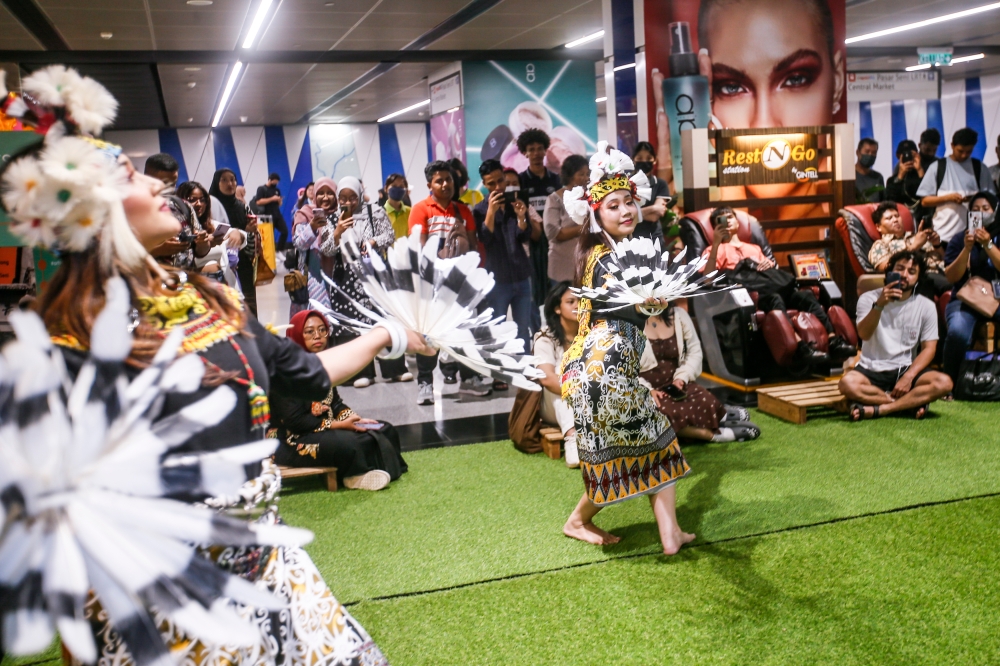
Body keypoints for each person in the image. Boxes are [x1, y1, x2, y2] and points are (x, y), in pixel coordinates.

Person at [0, 68, 433, 664]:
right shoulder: (69, 341)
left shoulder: (209, 300)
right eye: (129, 176)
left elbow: (308, 372)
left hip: (270, 572)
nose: (162, 187)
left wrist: (392, 334)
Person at [560, 143, 694, 555]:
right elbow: (615, 290)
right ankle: (582, 521)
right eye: (613, 205)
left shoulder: (618, 252)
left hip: (598, 371)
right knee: (651, 443)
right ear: (596, 215)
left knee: (636, 448)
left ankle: (665, 532)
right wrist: (645, 299)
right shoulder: (603, 258)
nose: (625, 211)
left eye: (628, 202)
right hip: (601, 370)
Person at [651, 0, 845, 247]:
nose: (763, 123)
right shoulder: (718, 213)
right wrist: (681, 223)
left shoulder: (836, 208)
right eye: (731, 87)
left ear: (837, 83)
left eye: (796, 79)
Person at [702, 206, 856, 366]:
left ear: (738, 222)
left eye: (730, 216)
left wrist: (766, 264)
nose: (727, 220)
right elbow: (707, 279)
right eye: (721, 219)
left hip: (776, 288)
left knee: (805, 296)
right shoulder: (714, 250)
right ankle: (800, 348)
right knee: (774, 299)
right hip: (752, 297)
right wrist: (715, 244)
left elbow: (774, 274)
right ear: (715, 227)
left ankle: (833, 340)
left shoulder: (754, 248)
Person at [272, 310, 407, 490]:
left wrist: (355, 420)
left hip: (322, 429)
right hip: (289, 439)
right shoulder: (284, 372)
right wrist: (339, 425)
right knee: (347, 444)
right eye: (309, 332)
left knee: (383, 429)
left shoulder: (324, 365)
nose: (317, 336)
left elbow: (335, 403)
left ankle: (377, 469)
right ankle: (354, 477)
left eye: (322, 330)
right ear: (296, 335)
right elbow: (295, 421)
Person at [409, 161, 493, 403]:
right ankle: (425, 383)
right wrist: (442, 258)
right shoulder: (421, 210)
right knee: (429, 334)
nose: (445, 184)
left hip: (460, 284)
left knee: (466, 331)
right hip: (432, 285)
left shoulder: (462, 210)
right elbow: (420, 249)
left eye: (448, 179)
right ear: (429, 185)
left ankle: (467, 379)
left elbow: (472, 246)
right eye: (439, 180)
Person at [840, 251, 953, 420]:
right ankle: (906, 405)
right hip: (871, 368)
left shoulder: (926, 306)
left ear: (918, 278)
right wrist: (879, 305)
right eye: (899, 268)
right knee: (847, 384)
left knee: (944, 383)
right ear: (890, 271)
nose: (904, 275)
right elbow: (864, 334)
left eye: (911, 272)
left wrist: (909, 377)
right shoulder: (868, 298)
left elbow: (929, 349)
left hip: (904, 368)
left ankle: (880, 409)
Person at [333, 176, 411, 387]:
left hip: (375, 274)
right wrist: (337, 232)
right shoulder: (334, 217)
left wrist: (374, 241)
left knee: (384, 320)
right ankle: (361, 373)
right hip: (347, 278)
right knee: (355, 326)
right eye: (343, 198)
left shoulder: (374, 211)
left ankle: (394, 369)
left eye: (352, 197)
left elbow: (390, 235)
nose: (348, 202)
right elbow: (326, 249)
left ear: (359, 194)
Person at [640, 306, 760, 442]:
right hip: (645, 390)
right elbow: (621, 368)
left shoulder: (678, 315)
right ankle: (711, 435)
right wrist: (646, 390)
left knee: (705, 400)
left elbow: (695, 351)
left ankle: (720, 415)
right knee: (664, 414)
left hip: (675, 384)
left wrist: (681, 378)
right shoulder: (626, 325)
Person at [474, 159, 533, 369]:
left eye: (501, 181)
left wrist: (521, 217)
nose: (498, 187)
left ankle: (525, 368)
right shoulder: (480, 210)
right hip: (496, 280)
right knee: (497, 327)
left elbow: (525, 235)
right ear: (484, 184)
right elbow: (484, 239)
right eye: (491, 184)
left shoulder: (514, 203)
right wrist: (491, 211)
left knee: (522, 328)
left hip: (521, 275)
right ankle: (500, 369)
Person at [942, 191, 1000, 382]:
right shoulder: (959, 239)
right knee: (958, 332)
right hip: (965, 299)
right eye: (976, 210)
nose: (981, 213)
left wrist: (988, 245)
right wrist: (967, 249)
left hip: (997, 298)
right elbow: (951, 276)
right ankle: (950, 381)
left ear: (995, 210)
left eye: (986, 209)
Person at [916, 127, 995, 244]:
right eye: (960, 151)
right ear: (952, 146)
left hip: (973, 234)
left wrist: (973, 199)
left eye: (968, 152)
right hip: (943, 234)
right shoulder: (938, 167)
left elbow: (990, 200)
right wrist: (948, 198)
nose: (964, 155)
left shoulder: (979, 168)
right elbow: (925, 201)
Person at [517, 128, 560, 329]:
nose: (535, 153)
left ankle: (557, 330)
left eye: (539, 149)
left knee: (555, 289)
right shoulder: (520, 182)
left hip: (555, 243)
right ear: (524, 153)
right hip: (532, 244)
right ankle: (536, 334)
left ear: (545, 151)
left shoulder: (556, 180)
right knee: (533, 293)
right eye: (530, 149)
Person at [534, 283, 580, 467]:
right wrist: (578, 395)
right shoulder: (545, 337)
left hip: (590, 398)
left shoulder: (593, 334)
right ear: (557, 308)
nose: (578, 306)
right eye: (571, 302)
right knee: (564, 381)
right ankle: (572, 440)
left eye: (582, 301)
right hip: (554, 402)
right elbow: (547, 378)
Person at [867, 200, 948, 298]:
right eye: (889, 218)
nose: (895, 220)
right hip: (923, 278)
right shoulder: (880, 245)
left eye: (897, 216)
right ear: (878, 227)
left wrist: (937, 245)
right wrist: (914, 246)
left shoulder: (918, 236)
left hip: (946, 271)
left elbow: (946, 260)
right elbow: (887, 267)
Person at [210, 168, 259, 316]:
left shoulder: (242, 206)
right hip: (219, 264)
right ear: (216, 183)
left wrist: (250, 231)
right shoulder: (210, 207)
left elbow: (253, 238)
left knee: (247, 304)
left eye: (232, 179)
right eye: (224, 180)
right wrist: (240, 230)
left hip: (243, 263)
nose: (230, 183)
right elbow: (212, 233)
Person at [177, 180, 243, 287]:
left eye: (202, 200)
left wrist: (236, 233)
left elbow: (238, 235)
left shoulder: (211, 225)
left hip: (220, 282)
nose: (199, 204)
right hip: (195, 284)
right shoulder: (178, 229)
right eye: (192, 200)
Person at [291, 176, 338, 320]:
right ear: (314, 195)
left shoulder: (340, 215)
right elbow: (299, 243)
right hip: (314, 277)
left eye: (329, 193)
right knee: (318, 321)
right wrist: (312, 227)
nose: (325, 197)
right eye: (321, 193)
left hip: (339, 278)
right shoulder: (305, 213)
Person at [544, 154, 588, 284]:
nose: (586, 178)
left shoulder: (591, 198)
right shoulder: (554, 199)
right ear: (569, 175)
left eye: (587, 174)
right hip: (562, 267)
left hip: (586, 266)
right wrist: (586, 227)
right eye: (581, 174)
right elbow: (553, 233)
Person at [631, 141, 669, 244]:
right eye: (639, 158)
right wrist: (653, 208)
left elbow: (656, 215)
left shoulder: (660, 184)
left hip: (654, 239)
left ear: (655, 160)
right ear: (633, 160)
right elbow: (626, 214)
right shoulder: (626, 183)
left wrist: (634, 214)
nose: (644, 161)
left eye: (648, 158)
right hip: (631, 238)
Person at [253, 172, 288, 252]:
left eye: (277, 182)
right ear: (270, 180)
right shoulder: (261, 188)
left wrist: (279, 200)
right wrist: (272, 199)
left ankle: (279, 250)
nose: (276, 183)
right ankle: (268, 253)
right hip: (266, 215)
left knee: (285, 231)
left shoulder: (277, 190)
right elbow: (258, 202)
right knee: (269, 236)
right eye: (275, 181)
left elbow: (279, 204)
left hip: (277, 214)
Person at [885, 139, 925, 208]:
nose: (907, 157)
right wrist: (900, 176)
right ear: (898, 156)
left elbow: (929, 194)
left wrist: (919, 170)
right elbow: (890, 201)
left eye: (911, 154)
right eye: (904, 154)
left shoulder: (923, 174)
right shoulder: (892, 180)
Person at [855, 138, 884, 203]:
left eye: (874, 152)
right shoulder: (850, 176)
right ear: (858, 152)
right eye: (867, 151)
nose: (870, 155)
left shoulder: (878, 177)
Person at [382, 172, 411, 238]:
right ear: (386, 189)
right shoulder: (379, 213)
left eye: (401, 186)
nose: (397, 189)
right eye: (394, 186)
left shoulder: (411, 212)